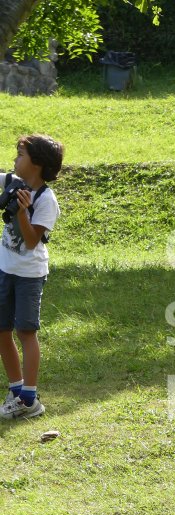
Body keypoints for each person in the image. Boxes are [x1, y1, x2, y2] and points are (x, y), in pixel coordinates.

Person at [0, 134, 63, 419]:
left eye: (20, 155)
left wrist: (23, 211)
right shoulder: (12, 182)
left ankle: (30, 400)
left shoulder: (47, 200)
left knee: (25, 332)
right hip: (4, 270)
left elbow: (30, 242)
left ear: (36, 164)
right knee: (1, 332)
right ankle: (16, 390)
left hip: (29, 276)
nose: (15, 160)